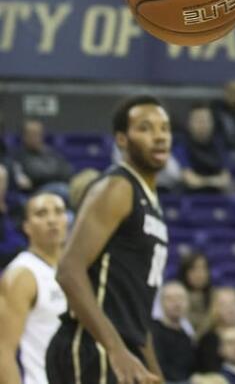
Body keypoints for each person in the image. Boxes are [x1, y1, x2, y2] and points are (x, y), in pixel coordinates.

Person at [47, 96, 171, 384]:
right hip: (94, 346)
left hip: (124, 349)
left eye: (164, 128)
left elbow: (136, 312)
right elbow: (68, 270)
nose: (159, 136)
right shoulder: (118, 187)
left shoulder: (152, 203)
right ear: (122, 139)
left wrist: (154, 371)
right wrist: (115, 350)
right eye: (145, 128)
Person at [0, 192, 69, 384]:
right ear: (27, 227)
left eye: (58, 212)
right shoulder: (22, 274)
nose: (52, 220)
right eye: (41, 213)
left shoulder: (73, 272)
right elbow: (3, 352)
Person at [180, 106, 232, 193]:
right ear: (189, 123)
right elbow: (190, 180)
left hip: (219, 197)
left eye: (206, 120)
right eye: (198, 120)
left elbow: (226, 180)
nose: (202, 124)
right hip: (190, 197)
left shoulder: (219, 145)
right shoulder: (181, 145)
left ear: (212, 123)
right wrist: (215, 181)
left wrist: (203, 181)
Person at [153, 282, 197, 384]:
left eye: (180, 298)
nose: (177, 304)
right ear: (161, 303)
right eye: (170, 299)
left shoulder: (187, 334)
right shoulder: (153, 331)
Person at [12, 120, 74, 193]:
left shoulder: (52, 153)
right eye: (33, 134)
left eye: (39, 134)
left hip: (60, 186)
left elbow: (67, 172)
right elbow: (30, 177)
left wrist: (43, 177)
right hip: (37, 191)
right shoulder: (18, 156)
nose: (36, 137)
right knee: (62, 190)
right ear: (24, 137)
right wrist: (52, 176)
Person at [196, 288, 235, 374]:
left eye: (234, 303)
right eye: (224, 305)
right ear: (215, 309)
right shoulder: (208, 340)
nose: (231, 309)